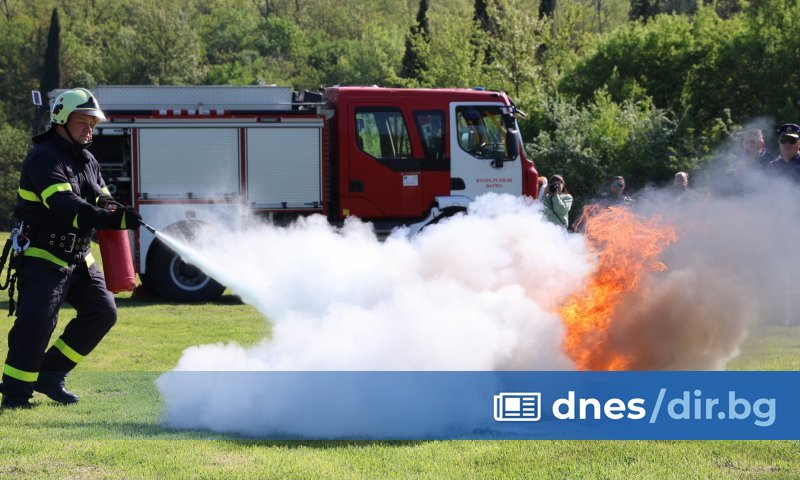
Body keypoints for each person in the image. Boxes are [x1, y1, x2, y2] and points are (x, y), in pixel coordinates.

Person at [0, 88, 143, 409]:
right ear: (62, 119)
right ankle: (15, 393)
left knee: (102, 312)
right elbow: (66, 207)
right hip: (42, 252)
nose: (89, 129)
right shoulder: (44, 158)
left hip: (78, 255)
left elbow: (102, 196)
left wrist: (117, 209)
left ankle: (50, 374)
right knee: (38, 319)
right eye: (83, 121)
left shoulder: (87, 159)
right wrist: (110, 219)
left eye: (93, 123)